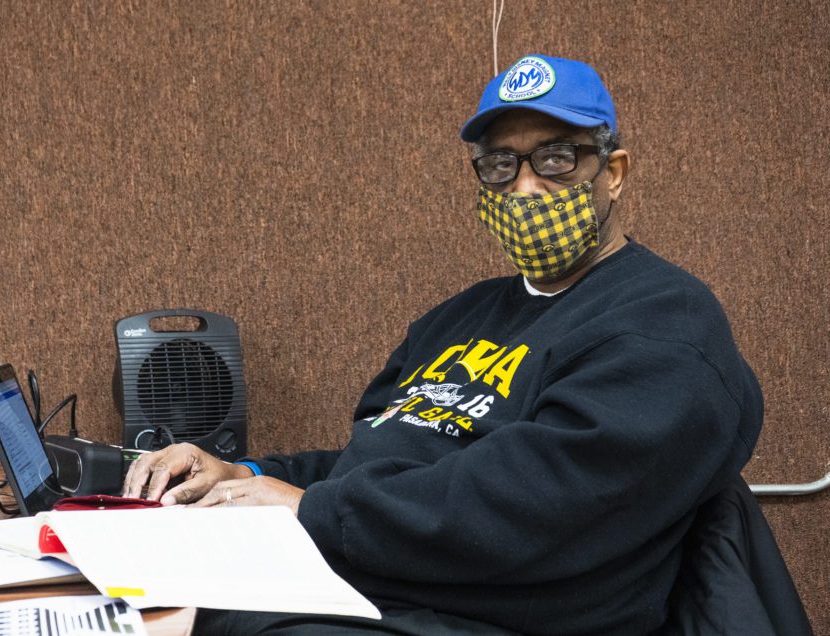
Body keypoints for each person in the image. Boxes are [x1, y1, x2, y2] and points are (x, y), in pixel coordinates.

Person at [123, 54, 764, 635]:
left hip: (481, 617)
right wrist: (251, 476)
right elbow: (378, 463)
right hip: (373, 590)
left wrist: (310, 510)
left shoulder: (664, 324)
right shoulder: (459, 318)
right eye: (500, 163)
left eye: (556, 158)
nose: (525, 186)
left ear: (613, 172)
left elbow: (527, 504)